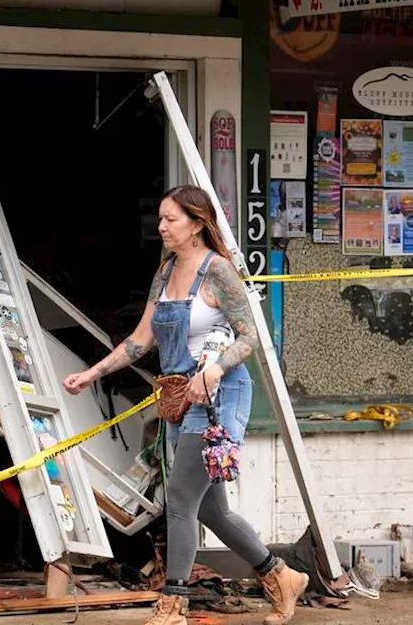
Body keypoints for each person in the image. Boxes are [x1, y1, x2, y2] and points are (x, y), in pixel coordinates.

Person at [63, 185, 309, 625]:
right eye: (159, 218)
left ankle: (173, 603)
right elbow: (141, 340)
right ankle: (281, 576)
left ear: (197, 223)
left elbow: (252, 336)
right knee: (212, 509)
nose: (161, 227)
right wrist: (94, 372)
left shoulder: (218, 273)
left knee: (178, 499)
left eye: (170, 219)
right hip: (179, 398)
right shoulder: (165, 272)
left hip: (220, 398)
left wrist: (215, 369)